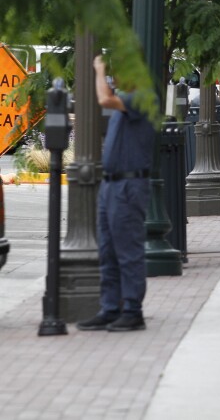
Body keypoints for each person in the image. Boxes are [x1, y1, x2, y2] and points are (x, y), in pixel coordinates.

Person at [77, 55, 156, 332]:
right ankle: (110, 308)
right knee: (108, 250)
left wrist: (98, 70)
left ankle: (133, 310)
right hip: (111, 185)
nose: (115, 78)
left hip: (128, 186)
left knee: (127, 250)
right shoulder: (127, 101)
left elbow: (104, 100)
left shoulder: (144, 98)